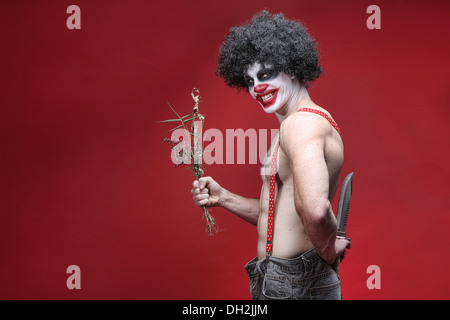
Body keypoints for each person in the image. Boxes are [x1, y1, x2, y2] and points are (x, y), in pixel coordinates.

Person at [191, 11, 351, 300]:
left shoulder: (301, 124)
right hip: (280, 278)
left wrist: (328, 248)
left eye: (266, 74)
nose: (258, 88)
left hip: (298, 281)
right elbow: (283, 217)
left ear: (291, 67)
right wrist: (223, 197)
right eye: (250, 81)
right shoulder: (292, 126)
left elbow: (314, 211)